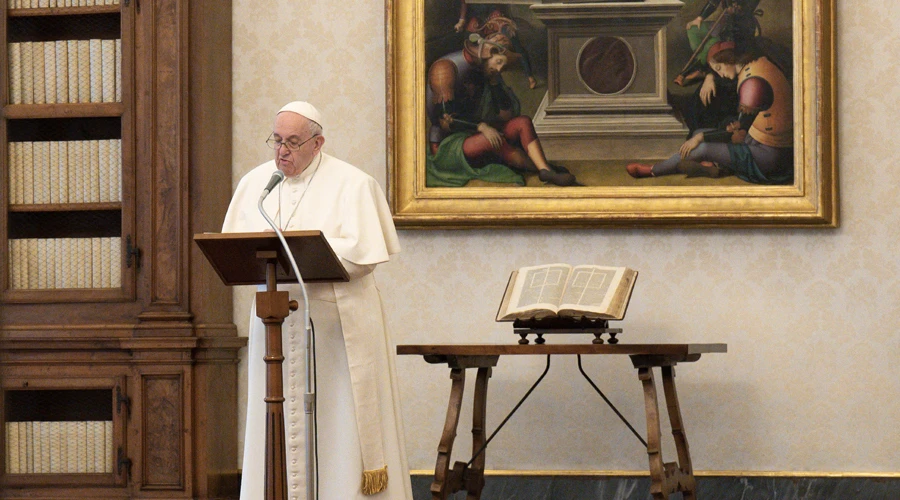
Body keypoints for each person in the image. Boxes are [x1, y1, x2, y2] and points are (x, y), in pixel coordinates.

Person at [222, 101, 412, 499]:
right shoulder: (256, 185)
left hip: (334, 330)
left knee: (338, 421)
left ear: (318, 142)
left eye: (293, 142)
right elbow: (235, 248)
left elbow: (363, 256)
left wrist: (311, 254)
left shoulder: (353, 184)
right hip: (274, 326)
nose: (281, 152)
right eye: (276, 141)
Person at [426, 23, 577, 187]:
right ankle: (542, 168)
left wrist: (494, 84)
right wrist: (481, 127)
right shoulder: (445, 69)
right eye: (498, 62)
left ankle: (544, 170)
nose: (499, 69)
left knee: (523, 122)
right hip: (447, 145)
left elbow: (507, 116)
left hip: (473, 133)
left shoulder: (484, 71)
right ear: (487, 53)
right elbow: (445, 120)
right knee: (495, 140)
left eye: (503, 66)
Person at [626, 41, 793, 184]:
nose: (719, 74)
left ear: (730, 59)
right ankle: (715, 166)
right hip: (760, 139)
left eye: (719, 68)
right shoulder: (756, 64)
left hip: (771, 157)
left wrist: (701, 139)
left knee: (702, 146)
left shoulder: (752, 84)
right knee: (699, 133)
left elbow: (738, 133)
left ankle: (652, 170)